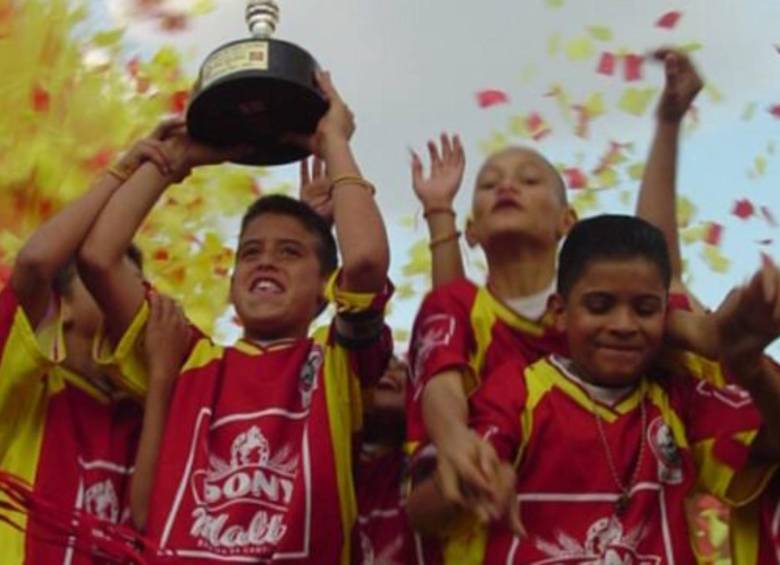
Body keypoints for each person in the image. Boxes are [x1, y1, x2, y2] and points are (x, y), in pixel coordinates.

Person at [77, 71, 393, 564]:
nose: (265, 262)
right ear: (231, 283)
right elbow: (99, 257)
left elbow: (367, 261)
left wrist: (334, 142)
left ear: (324, 291)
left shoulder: (335, 365)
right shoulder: (187, 355)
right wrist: (173, 163)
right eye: (250, 253)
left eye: (290, 253)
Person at [403, 49, 704, 563]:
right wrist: (456, 442)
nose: (506, 185)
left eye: (528, 177)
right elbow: (441, 381)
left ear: (568, 220)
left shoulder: (609, 320)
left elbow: (662, 264)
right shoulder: (455, 306)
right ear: (471, 232)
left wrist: (668, 123)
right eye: (490, 182)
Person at [412, 214, 780, 563]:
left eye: (645, 309)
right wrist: (470, 481)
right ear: (559, 311)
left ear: (666, 316)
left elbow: (770, 443)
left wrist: (748, 366)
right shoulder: (520, 390)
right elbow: (422, 514)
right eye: (600, 306)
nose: (623, 324)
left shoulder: (678, 397)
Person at [0, 129, 171, 563]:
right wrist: (125, 170)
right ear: (63, 308)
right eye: (100, 282)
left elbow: (151, 524)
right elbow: (36, 263)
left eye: (136, 284)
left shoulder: (149, 408)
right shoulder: (24, 390)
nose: (131, 296)